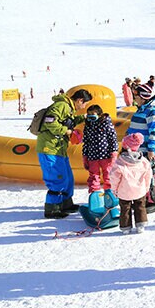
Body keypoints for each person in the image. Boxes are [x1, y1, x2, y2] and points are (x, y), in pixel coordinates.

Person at [37, 89, 92, 219]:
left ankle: (66, 203)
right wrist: (67, 132)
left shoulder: (68, 107)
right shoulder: (62, 105)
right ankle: (52, 209)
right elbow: (50, 121)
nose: (83, 107)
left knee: (67, 177)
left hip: (59, 148)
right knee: (57, 178)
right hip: (49, 148)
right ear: (80, 100)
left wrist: (82, 118)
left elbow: (67, 120)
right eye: (84, 104)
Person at [126, 83, 155, 212]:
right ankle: (143, 199)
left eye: (136, 96)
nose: (134, 98)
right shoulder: (141, 108)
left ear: (143, 97)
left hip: (147, 150)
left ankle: (154, 201)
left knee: (152, 175)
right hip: (137, 150)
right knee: (141, 175)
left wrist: (151, 149)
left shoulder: (153, 111)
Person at [110, 133, 152, 234]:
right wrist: (146, 187)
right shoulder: (143, 161)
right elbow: (148, 176)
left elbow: (114, 177)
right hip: (139, 190)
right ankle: (141, 225)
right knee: (140, 206)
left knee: (125, 208)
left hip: (125, 191)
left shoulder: (120, 162)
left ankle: (126, 227)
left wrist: (114, 190)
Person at [81, 104, 118, 194]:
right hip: (92, 155)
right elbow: (86, 141)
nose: (90, 120)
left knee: (108, 174)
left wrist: (114, 152)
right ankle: (94, 192)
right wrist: (85, 155)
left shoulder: (106, 124)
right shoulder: (88, 126)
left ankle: (110, 192)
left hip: (105, 155)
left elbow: (112, 138)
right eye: (88, 117)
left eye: (93, 117)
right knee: (93, 175)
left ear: (100, 115)